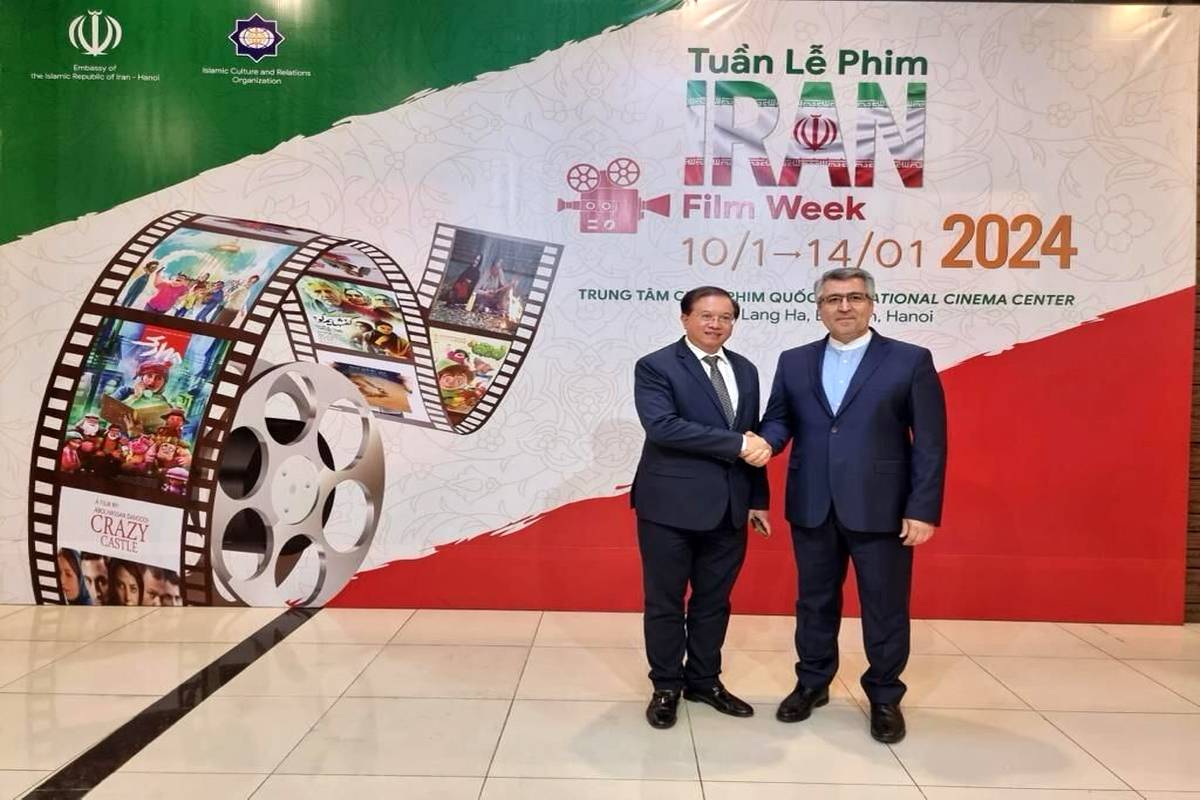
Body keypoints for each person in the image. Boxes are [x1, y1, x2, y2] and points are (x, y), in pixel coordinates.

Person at [758, 267, 947, 744]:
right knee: (814, 601)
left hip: (882, 508)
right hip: (812, 503)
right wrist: (762, 444)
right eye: (833, 299)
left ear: (871, 304)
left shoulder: (910, 360)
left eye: (855, 297)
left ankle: (884, 695)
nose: (844, 307)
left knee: (885, 606)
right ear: (819, 308)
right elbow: (779, 420)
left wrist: (922, 508)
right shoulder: (794, 361)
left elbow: (930, 442)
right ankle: (812, 682)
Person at [631, 285, 773, 730]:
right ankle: (666, 686)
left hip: (730, 508)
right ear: (685, 319)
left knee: (714, 602)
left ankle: (705, 681)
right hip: (668, 508)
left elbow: (753, 437)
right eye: (706, 316)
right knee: (666, 602)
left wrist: (758, 499)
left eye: (725, 317)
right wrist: (737, 444)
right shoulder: (656, 366)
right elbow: (664, 427)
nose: (716, 324)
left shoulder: (745, 369)